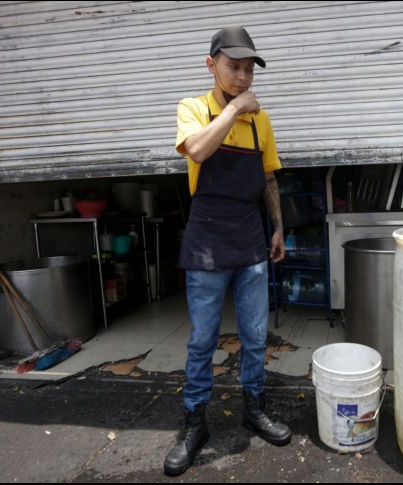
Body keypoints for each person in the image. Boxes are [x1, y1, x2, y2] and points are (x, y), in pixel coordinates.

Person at [164, 26, 290, 476]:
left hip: (250, 238)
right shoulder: (194, 109)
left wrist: (277, 228)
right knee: (202, 340)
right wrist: (236, 107)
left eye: (248, 69)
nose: (242, 77)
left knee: (256, 336)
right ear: (211, 63)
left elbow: (270, 179)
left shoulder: (262, 121)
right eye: (233, 67)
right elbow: (196, 150)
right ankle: (194, 423)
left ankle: (254, 408)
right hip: (207, 241)